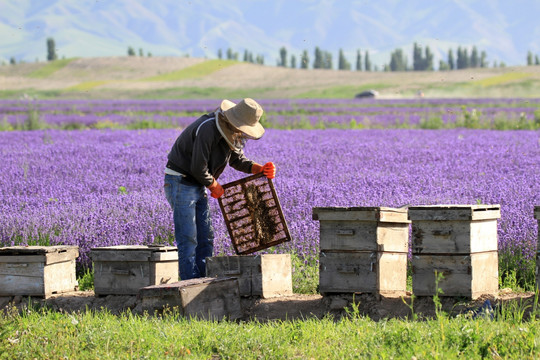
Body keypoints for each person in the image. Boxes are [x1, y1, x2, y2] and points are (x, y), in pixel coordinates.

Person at [163, 98, 276, 280]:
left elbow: (237, 160)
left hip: (198, 183)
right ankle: (188, 284)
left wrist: (259, 168)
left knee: (206, 236)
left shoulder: (233, 133)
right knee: (189, 238)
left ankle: (202, 280)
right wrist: (214, 185)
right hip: (180, 181)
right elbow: (198, 167)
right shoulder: (209, 128)